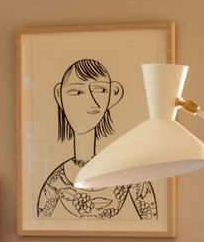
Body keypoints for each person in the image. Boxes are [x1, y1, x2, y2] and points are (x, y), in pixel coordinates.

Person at [35, 57, 158, 219]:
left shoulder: (129, 174)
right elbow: (39, 222)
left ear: (113, 95)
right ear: (59, 96)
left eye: (100, 90)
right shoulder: (56, 180)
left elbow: (152, 220)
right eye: (76, 92)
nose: (91, 101)